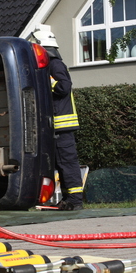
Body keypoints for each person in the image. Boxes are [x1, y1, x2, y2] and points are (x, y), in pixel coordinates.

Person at [28, 27, 84, 211]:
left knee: (67, 164)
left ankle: (75, 201)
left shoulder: (55, 65)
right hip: (55, 127)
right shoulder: (49, 65)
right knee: (61, 165)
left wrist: (45, 81)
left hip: (62, 127)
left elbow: (64, 87)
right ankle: (68, 200)